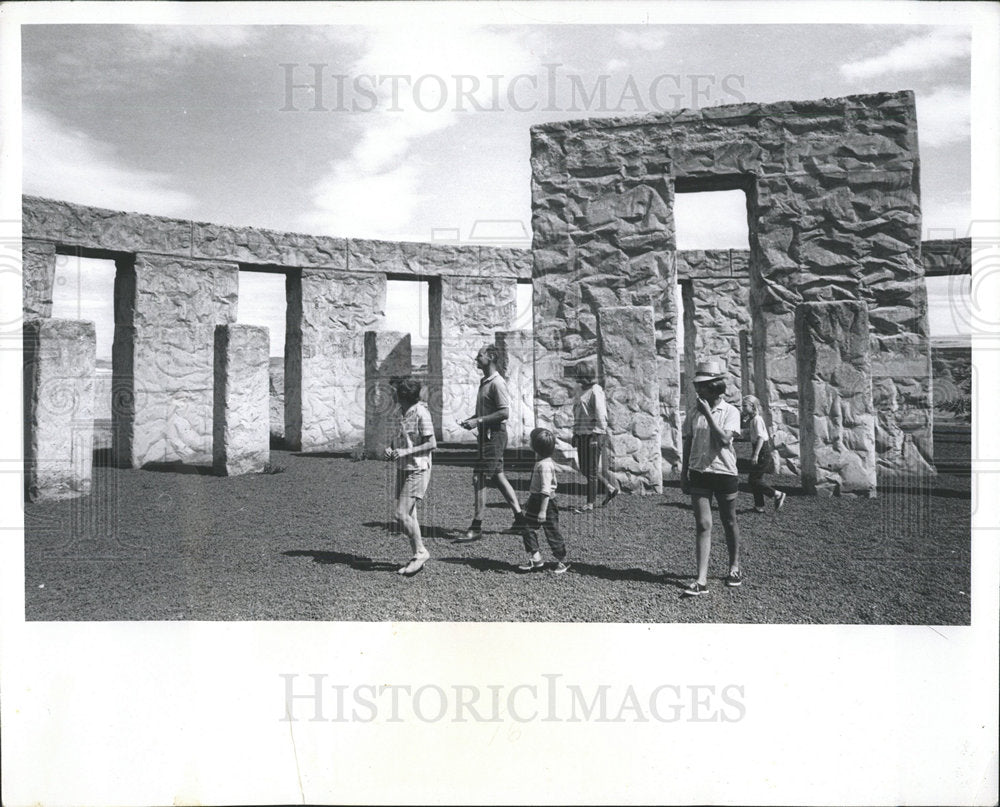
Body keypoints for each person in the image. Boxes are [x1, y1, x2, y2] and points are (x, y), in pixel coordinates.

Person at [680, 359, 743, 596]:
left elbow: (724, 440)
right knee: (703, 524)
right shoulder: (694, 412)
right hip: (699, 472)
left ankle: (734, 566)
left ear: (715, 386)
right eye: (697, 385)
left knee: (729, 521)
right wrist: (684, 472)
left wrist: (708, 414)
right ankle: (701, 579)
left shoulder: (730, 412)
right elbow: (689, 441)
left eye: (702, 386)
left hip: (725, 472)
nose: (698, 390)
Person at [459, 344, 525, 540]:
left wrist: (477, 420)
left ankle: (476, 526)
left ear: (491, 357)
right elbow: (487, 411)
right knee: (498, 477)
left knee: (479, 477)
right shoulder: (485, 382)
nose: (476, 358)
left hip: (494, 436)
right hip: (486, 435)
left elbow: (504, 412)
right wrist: (472, 419)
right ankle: (520, 520)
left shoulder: (497, 383)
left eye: (479, 355)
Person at [384, 377, 436, 576]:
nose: (393, 394)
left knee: (400, 514)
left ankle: (421, 552)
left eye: (396, 391)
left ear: (403, 395)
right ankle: (417, 555)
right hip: (404, 467)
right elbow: (399, 438)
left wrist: (406, 452)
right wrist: (391, 448)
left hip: (418, 468)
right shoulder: (400, 412)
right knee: (410, 514)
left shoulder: (422, 413)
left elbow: (432, 444)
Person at [518, 427, 570, 574]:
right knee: (527, 528)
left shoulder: (545, 465)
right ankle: (536, 558)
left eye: (530, 440)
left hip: (546, 503)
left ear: (535, 445)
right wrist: (531, 501)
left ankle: (561, 561)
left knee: (552, 532)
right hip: (536, 500)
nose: (528, 442)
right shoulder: (541, 461)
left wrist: (542, 511)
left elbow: (546, 490)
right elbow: (537, 489)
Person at [571, 361, 619, 512]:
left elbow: (601, 416)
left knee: (591, 471)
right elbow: (577, 413)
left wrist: (597, 436)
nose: (576, 376)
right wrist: (575, 433)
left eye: (578, 373)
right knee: (584, 469)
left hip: (593, 435)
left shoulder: (595, 391)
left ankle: (589, 503)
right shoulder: (579, 390)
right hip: (581, 434)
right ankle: (609, 488)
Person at [741, 394, 787, 513]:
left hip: (762, 452)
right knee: (756, 479)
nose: (743, 408)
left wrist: (756, 454)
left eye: (745, 406)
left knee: (753, 480)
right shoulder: (753, 419)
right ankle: (759, 506)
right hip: (759, 450)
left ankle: (777, 494)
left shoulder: (757, 419)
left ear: (752, 406)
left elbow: (761, 438)